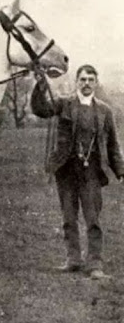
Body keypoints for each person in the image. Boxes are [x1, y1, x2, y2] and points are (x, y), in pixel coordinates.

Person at [31, 64, 124, 279]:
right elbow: (41, 109)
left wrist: (120, 170)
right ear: (77, 82)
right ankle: (73, 260)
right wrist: (40, 85)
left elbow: (113, 145)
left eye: (91, 79)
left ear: (96, 82)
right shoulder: (64, 104)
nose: (87, 83)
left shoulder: (104, 111)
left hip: (92, 171)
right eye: (83, 79)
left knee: (93, 219)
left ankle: (95, 265)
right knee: (69, 217)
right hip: (66, 169)